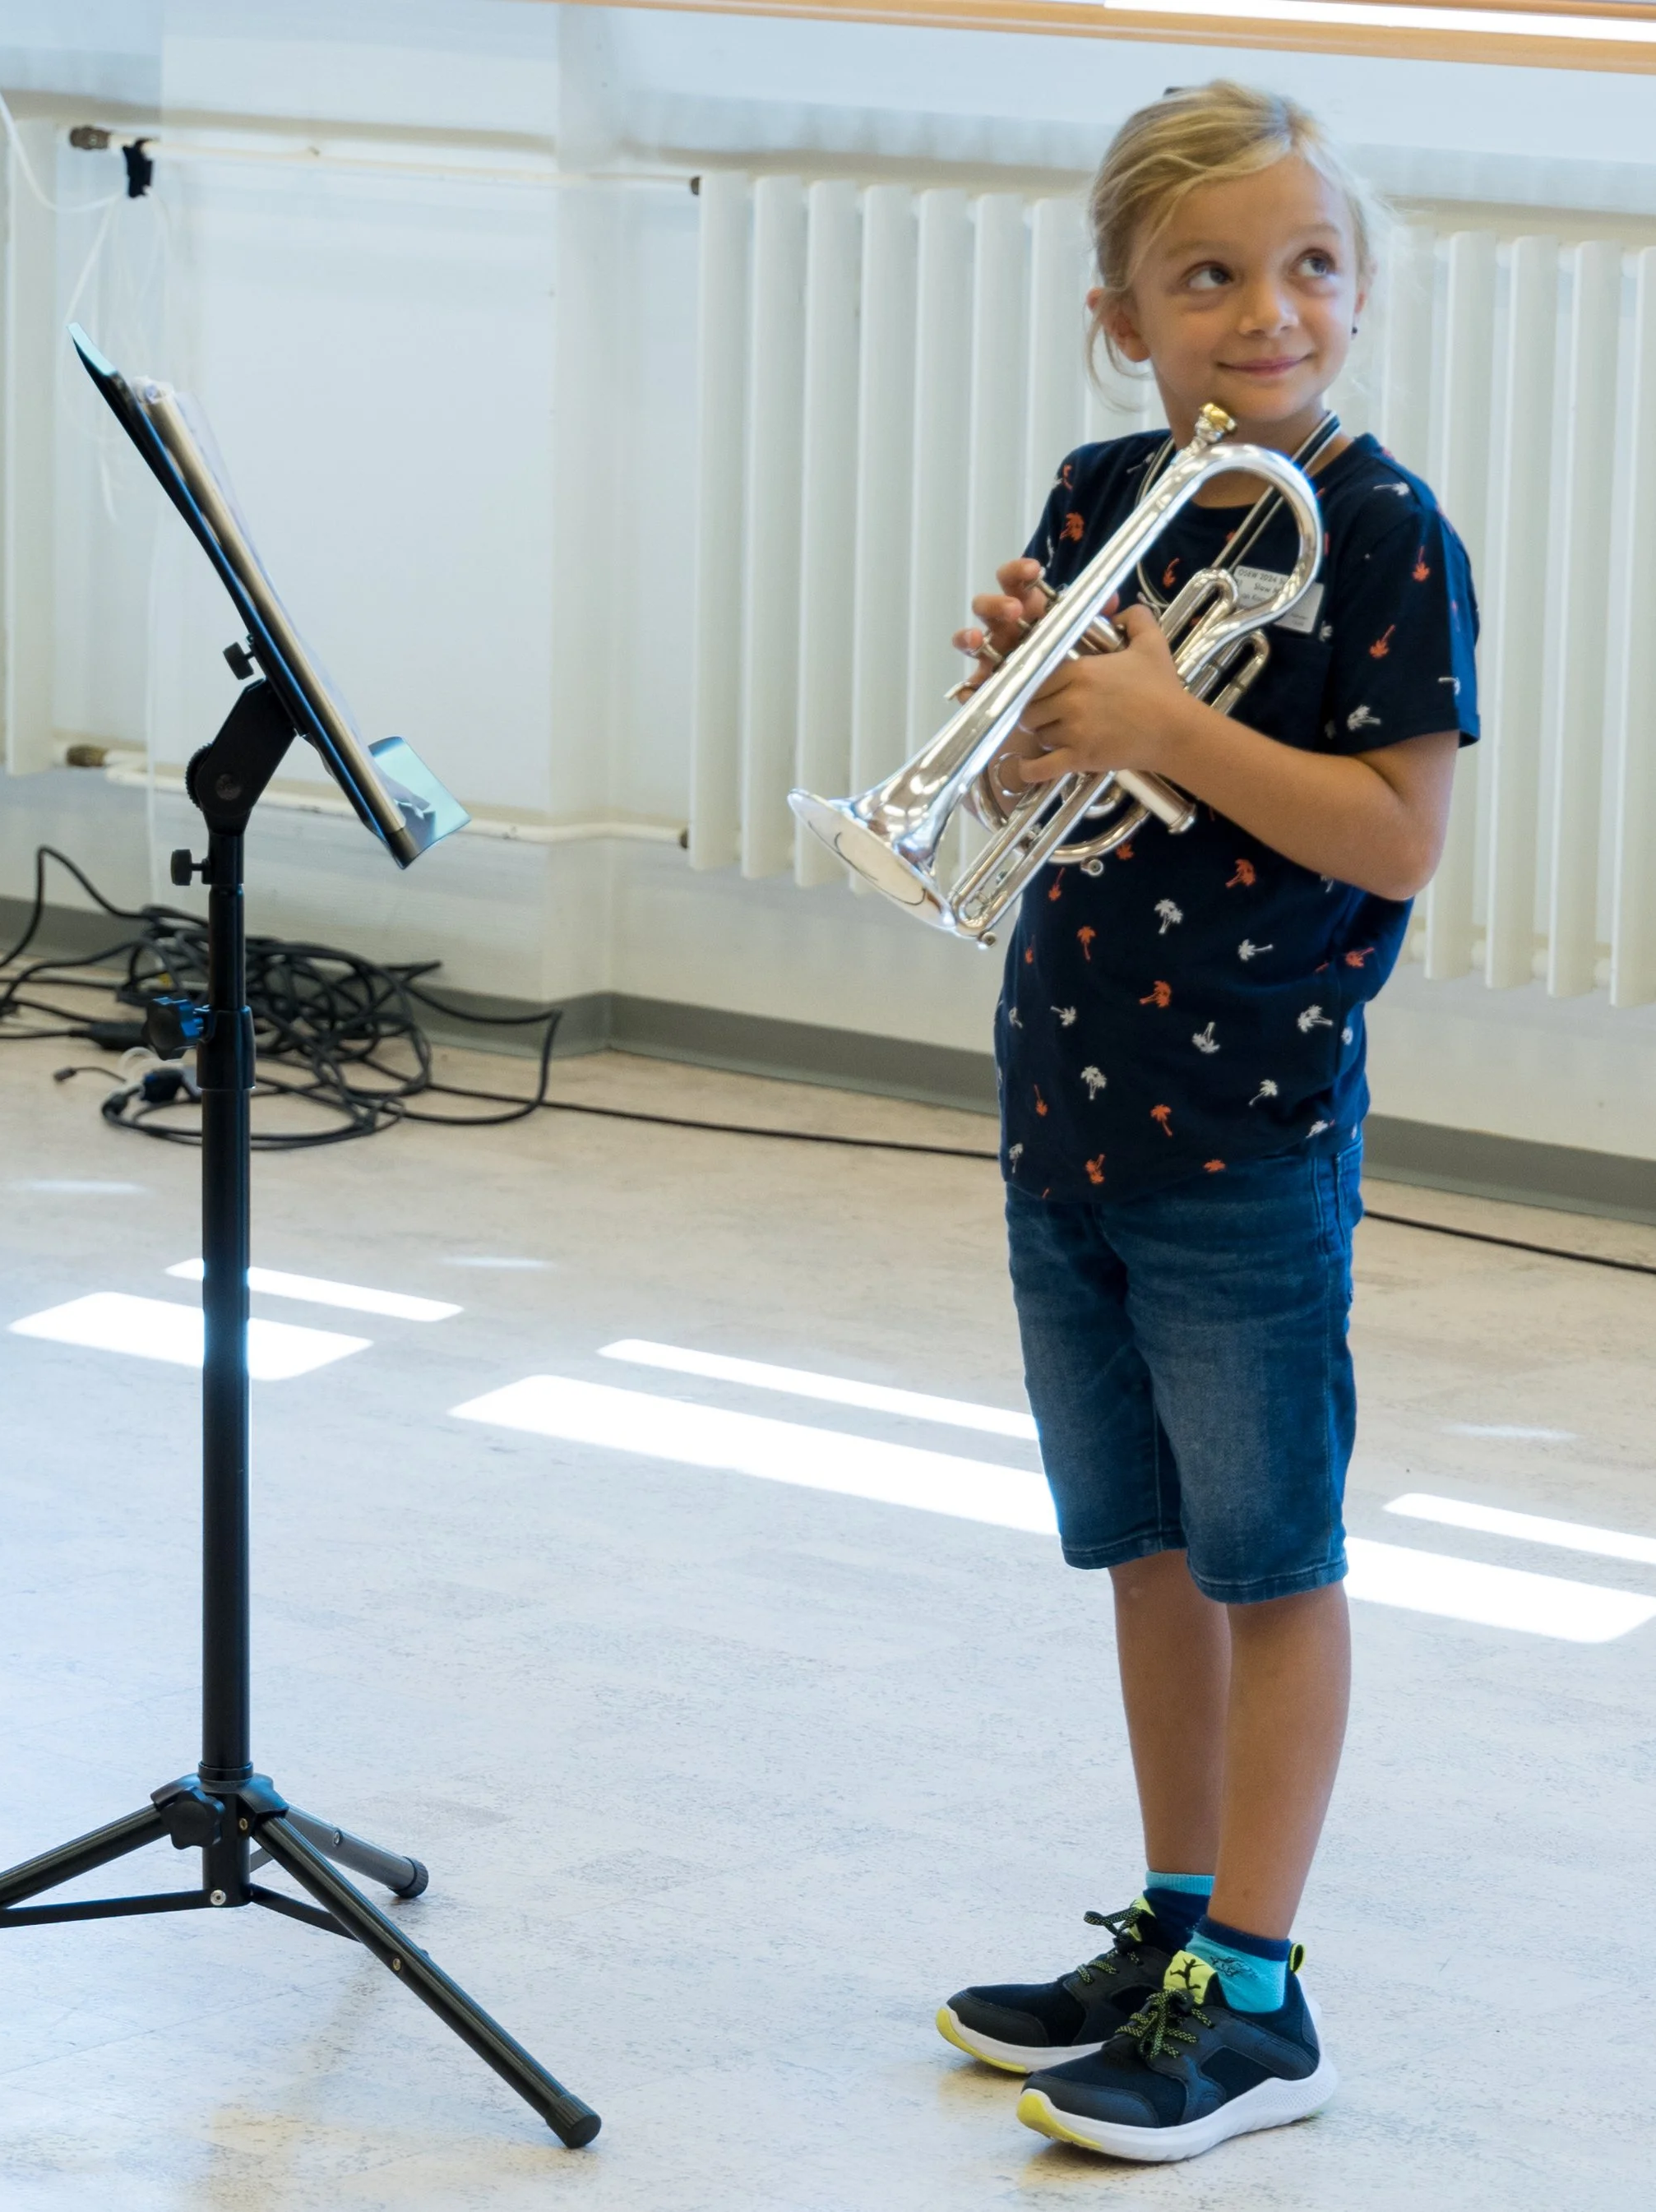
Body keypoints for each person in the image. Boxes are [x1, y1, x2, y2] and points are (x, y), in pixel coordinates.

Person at [931, 81, 1480, 2163]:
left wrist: (1167, 716)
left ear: (1352, 285)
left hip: (1246, 1126)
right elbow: (1043, 798)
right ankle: (1174, 1927)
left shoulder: (1387, 531)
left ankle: (1257, 1995)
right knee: (1143, 1544)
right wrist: (1014, 724)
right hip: (1067, 1089)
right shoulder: (1102, 492)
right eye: (1210, 277)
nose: (1269, 310)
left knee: (1265, 1556)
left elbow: (1396, 835)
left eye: (1308, 264)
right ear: (1122, 317)